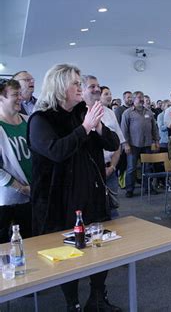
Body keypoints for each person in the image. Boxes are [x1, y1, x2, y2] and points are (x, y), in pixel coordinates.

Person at [27, 64, 120, 311]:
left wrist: (98, 126)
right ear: (59, 87)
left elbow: (112, 142)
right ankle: (73, 303)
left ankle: (98, 297)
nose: (80, 88)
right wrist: (86, 127)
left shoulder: (82, 111)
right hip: (60, 200)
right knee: (68, 254)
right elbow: (57, 151)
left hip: (92, 194)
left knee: (100, 247)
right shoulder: (41, 119)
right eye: (75, 84)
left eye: (80, 83)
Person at [0, 79, 32, 243]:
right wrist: (21, 188)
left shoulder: (28, 120)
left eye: (20, 93)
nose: (20, 97)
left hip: (32, 196)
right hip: (8, 202)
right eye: (14, 95)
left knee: (33, 242)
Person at [121, 91, 159, 197]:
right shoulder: (127, 113)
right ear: (133, 99)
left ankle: (148, 188)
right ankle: (129, 189)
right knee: (131, 168)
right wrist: (125, 144)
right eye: (138, 97)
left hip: (147, 144)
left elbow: (154, 128)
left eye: (142, 97)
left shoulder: (149, 112)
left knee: (147, 167)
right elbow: (123, 130)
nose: (141, 99)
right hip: (133, 145)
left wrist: (156, 141)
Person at [97, 83, 126, 218]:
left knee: (113, 206)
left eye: (110, 94)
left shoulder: (110, 113)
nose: (109, 96)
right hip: (94, 169)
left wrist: (113, 167)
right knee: (95, 207)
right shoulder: (84, 113)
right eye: (106, 94)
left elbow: (118, 142)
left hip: (110, 167)